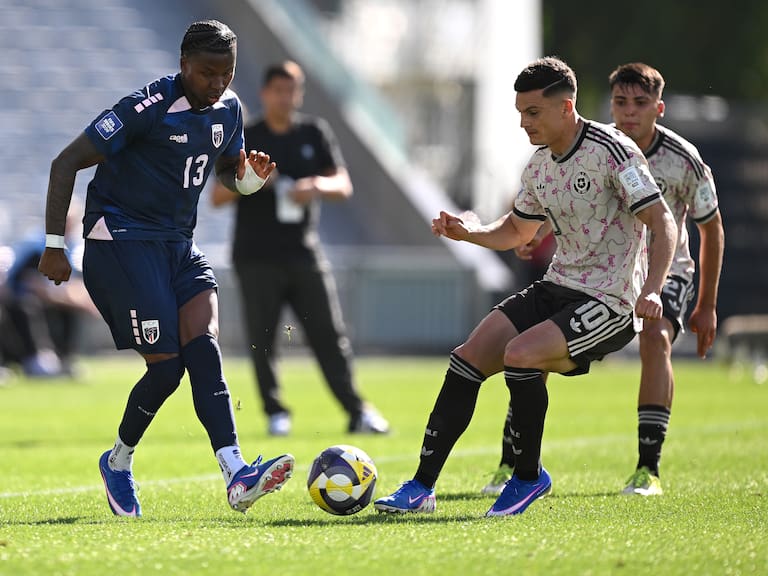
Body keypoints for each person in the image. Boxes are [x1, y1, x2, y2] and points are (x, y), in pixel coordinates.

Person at [373, 56, 677, 517]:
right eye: (520, 113)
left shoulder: (613, 151)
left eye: (532, 112)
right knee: (466, 358)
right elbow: (517, 230)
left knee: (520, 355)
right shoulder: (537, 168)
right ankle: (421, 488)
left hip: (609, 300)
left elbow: (662, 220)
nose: (523, 123)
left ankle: (528, 477)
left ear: (566, 108)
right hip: (558, 285)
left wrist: (652, 288)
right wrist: (468, 232)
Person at [38, 20, 294, 518]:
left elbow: (224, 170)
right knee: (167, 367)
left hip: (178, 245)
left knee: (203, 344)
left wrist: (248, 182)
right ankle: (119, 462)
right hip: (122, 243)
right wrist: (54, 246)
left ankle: (236, 472)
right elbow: (64, 162)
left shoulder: (230, 108)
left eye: (226, 73)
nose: (216, 83)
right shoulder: (146, 108)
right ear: (182, 66)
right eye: (206, 73)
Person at [482, 62, 725, 497]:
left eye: (640, 103)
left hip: (663, 270)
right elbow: (579, 204)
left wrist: (706, 305)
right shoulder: (594, 147)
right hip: (599, 274)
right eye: (620, 102)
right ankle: (511, 460)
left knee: (655, 338)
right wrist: (537, 231)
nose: (629, 113)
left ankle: (647, 469)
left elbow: (711, 227)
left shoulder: (684, 160)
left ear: (659, 108)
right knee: (532, 349)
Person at [211, 61, 389, 437]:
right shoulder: (246, 135)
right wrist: (250, 181)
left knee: (329, 333)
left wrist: (315, 186)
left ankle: (357, 410)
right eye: (278, 89)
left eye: (292, 89)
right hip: (255, 254)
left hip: (304, 252)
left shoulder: (314, 132)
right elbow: (216, 196)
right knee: (263, 337)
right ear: (264, 93)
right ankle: (275, 411)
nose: (286, 97)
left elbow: (343, 184)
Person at [0, 200, 98, 377]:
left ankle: (63, 358)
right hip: (21, 306)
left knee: (71, 310)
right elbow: (33, 285)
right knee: (29, 306)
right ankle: (36, 358)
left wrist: (74, 298)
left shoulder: (73, 248)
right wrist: (67, 297)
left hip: (48, 305)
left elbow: (76, 285)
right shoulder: (37, 246)